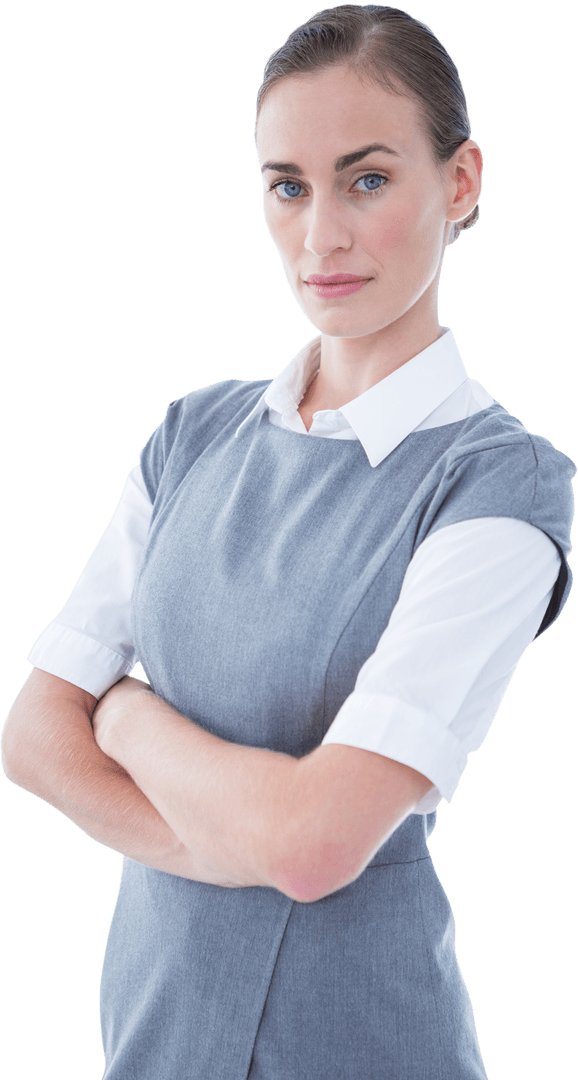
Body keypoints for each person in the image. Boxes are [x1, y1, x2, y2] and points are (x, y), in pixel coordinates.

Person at [2, 5, 575, 1078]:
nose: (321, 238)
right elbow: (32, 738)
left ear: (459, 184)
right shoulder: (193, 435)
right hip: (154, 1037)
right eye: (288, 186)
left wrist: (122, 714)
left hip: (360, 1043)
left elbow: (315, 845)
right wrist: (235, 844)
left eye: (367, 180)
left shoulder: (498, 488)